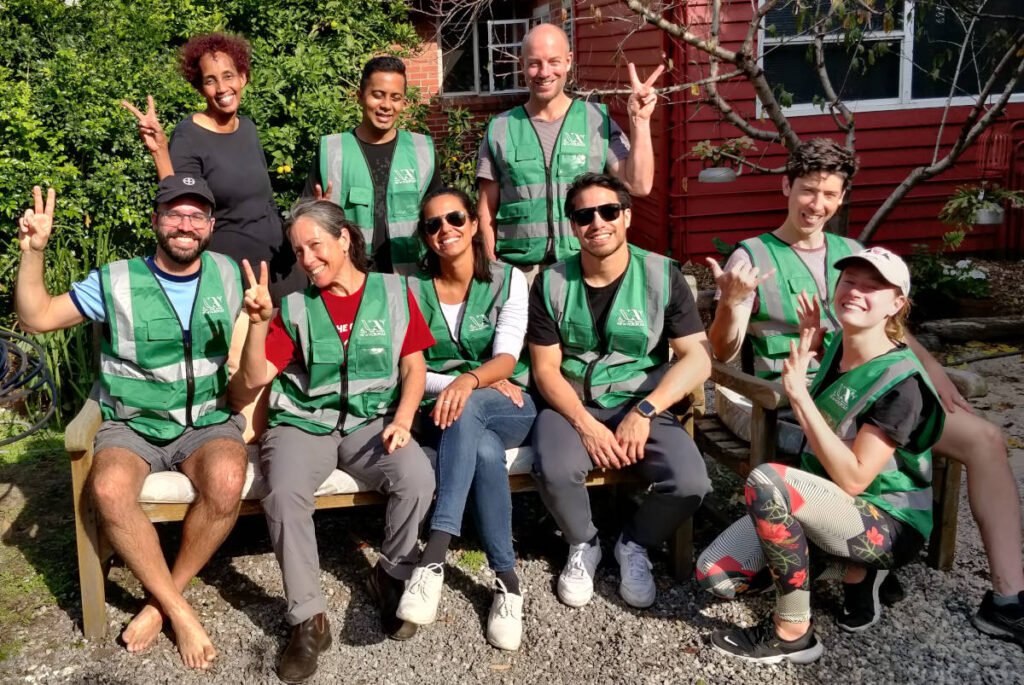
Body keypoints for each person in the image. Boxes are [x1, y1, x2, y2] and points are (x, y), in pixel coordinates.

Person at [707, 138, 1024, 647]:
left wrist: (936, 375)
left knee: (984, 438)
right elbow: (723, 351)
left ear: (842, 195)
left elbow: (890, 327)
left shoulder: (852, 254)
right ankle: (852, 557)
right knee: (848, 461)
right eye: (808, 190)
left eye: (830, 194)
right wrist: (732, 302)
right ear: (786, 186)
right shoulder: (754, 254)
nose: (817, 204)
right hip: (786, 402)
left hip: (859, 397)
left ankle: (1008, 598)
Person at [15, 176, 247, 670]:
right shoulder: (115, 280)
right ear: (155, 221)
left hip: (206, 420)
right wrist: (34, 251)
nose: (184, 225)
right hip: (132, 424)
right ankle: (180, 611)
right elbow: (36, 317)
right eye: (174, 214)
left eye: (195, 215)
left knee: (228, 480)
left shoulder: (228, 274)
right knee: (109, 489)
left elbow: (250, 356)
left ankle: (161, 601)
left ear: (210, 225)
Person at [699, 247, 945, 664]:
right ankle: (856, 573)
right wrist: (808, 343)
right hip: (829, 509)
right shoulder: (838, 347)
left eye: (873, 287)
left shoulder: (902, 384)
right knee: (718, 575)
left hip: (886, 523)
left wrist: (798, 397)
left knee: (768, 481)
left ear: (897, 303)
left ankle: (793, 632)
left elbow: (854, 479)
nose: (856, 292)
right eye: (849, 282)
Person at [231, 200, 436, 683]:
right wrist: (260, 322)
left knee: (417, 476)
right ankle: (308, 619)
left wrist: (404, 417)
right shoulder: (297, 307)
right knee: (282, 493)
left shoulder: (393, 292)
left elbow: (414, 365)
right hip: (304, 422)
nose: (306, 259)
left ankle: (390, 575)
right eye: (298, 251)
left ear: (344, 239)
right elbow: (255, 377)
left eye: (315, 245)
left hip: (371, 423)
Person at [527, 173, 712, 609]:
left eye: (608, 211)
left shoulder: (662, 275)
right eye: (584, 215)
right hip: (572, 404)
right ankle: (583, 542)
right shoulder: (551, 282)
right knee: (554, 470)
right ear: (573, 226)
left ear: (626, 216)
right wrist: (585, 424)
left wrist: (645, 410)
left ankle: (633, 543)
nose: (598, 222)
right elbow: (546, 368)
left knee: (691, 483)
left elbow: (697, 358)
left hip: (641, 402)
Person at [397, 188, 534, 650]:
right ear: (425, 236)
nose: (445, 231)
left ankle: (433, 557)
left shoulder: (508, 278)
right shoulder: (409, 287)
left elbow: (508, 359)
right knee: (482, 448)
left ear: (474, 224)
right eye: (433, 224)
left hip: (511, 403)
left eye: (455, 219)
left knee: (472, 408)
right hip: (439, 411)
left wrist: (466, 382)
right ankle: (508, 581)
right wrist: (462, 383)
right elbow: (410, 367)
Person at [122, 32, 305, 302]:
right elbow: (178, 203)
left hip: (280, 263)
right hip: (233, 271)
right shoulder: (189, 135)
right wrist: (159, 150)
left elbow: (265, 202)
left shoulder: (248, 129)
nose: (221, 88)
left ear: (243, 77)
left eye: (228, 76)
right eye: (210, 80)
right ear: (200, 88)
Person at [476, 23, 663, 275]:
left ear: (568, 62)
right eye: (534, 63)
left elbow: (639, 185)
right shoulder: (500, 128)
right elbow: (485, 211)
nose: (544, 72)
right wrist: (493, 269)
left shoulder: (597, 121)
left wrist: (640, 121)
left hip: (583, 267)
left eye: (554, 61)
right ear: (522, 65)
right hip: (519, 273)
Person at [304, 56, 442, 275]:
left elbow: (440, 216)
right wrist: (317, 216)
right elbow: (305, 225)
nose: (386, 105)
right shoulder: (332, 151)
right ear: (360, 96)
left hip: (412, 281)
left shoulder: (421, 150)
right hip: (351, 279)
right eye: (378, 95)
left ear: (404, 102)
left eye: (395, 97)